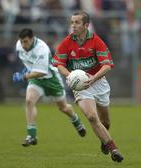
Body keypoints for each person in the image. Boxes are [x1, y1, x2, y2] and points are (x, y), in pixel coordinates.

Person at [53, 11, 124, 162]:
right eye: (72, 22)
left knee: (106, 122)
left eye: (77, 22)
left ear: (86, 25)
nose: (73, 25)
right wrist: (69, 76)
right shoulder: (67, 42)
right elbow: (59, 64)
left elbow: (107, 66)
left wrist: (93, 78)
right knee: (92, 116)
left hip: (98, 82)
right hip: (81, 86)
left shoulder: (96, 41)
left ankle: (103, 141)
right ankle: (114, 149)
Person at [12, 28, 86, 147]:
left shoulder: (42, 49)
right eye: (21, 41)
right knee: (29, 101)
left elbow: (41, 72)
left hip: (51, 80)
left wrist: (23, 76)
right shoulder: (19, 46)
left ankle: (75, 120)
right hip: (36, 80)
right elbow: (27, 62)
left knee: (63, 108)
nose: (23, 44)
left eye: (25, 41)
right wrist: (27, 70)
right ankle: (31, 135)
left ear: (32, 39)